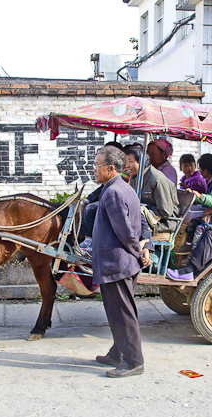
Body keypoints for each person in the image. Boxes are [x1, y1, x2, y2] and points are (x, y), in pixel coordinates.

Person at [92, 146, 149, 378]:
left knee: (123, 314)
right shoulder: (121, 187)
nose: (94, 170)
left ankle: (134, 361)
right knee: (116, 312)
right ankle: (117, 353)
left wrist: (138, 252)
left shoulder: (114, 192)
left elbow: (125, 231)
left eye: (97, 166)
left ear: (110, 168)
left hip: (118, 263)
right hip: (118, 262)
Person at [78, 142, 126, 248]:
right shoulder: (108, 183)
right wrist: (85, 201)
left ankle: (89, 240)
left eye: (97, 165)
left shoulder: (121, 177)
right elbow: (99, 190)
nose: (94, 170)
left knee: (91, 209)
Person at [125, 144, 180, 234]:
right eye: (126, 162)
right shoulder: (134, 177)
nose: (127, 165)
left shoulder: (157, 180)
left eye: (130, 161)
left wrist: (144, 209)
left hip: (162, 223)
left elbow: (165, 212)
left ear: (143, 161)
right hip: (143, 220)